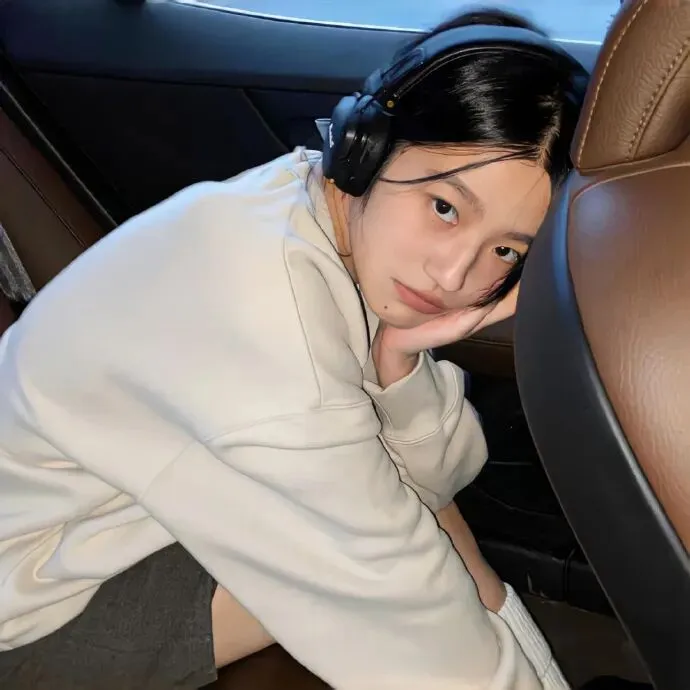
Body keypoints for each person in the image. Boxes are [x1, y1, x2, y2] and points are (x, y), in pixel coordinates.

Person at [0, 8, 586, 690]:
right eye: (445, 208)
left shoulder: (311, 208)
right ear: (366, 149)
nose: (455, 275)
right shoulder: (269, 325)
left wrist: (396, 367)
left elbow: (432, 485)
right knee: (399, 579)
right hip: (32, 611)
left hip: (112, 525)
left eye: (506, 250)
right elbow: (401, 606)